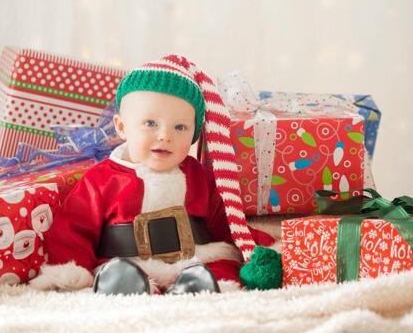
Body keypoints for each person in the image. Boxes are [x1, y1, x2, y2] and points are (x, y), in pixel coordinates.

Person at [29, 54, 280, 295]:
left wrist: (265, 246)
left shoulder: (197, 175)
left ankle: (200, 286)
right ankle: (124, 284)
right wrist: (71, 267)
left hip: (193, 257)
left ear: (193, 135)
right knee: (115, 271)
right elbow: (74, 227)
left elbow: (226, 221)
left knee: (222, 269)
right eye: (150, 124)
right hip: (128, 258)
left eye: (180, 127)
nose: (165, 135)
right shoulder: (102, 178)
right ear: (122, 127)